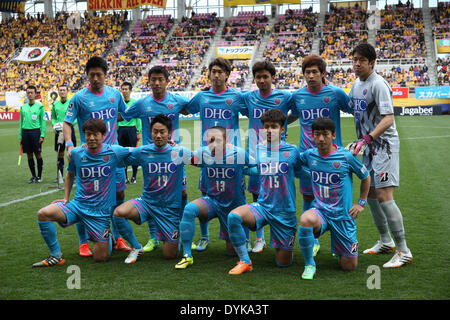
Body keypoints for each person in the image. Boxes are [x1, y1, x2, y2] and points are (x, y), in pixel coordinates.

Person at [63, 56, 140, 258]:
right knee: (85, 201)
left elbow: (126, 114)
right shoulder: (79, 98)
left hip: (113, 157)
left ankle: (115, 237)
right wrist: (70, 145)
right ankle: (83, 243)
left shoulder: (115, 95)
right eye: (92, 75)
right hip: (89, 159)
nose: (95, 78)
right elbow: (67, 123)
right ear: (87, 76)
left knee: (118, 197)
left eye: (99, 74)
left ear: (106, 75)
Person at [346, 43, 413, 268]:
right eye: (354, 59)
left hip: (383, 146)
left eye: (361, 60)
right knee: (372, 194)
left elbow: (388, 118)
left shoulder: (379, 84)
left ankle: (403, 250)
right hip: (368, 148)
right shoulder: (355, 84)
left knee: (384, 195)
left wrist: (367, 139)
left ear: (372, 63)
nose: (356, 63)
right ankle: (386, 241)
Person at [32, 118, 131, 267]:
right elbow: (70, 174)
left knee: (101, 258)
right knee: (43, 214)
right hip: (78, 206)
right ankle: (56, 255)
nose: (91, 138)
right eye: (88, 134)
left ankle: (107, 236)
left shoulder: (114, 152)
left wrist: (166, 145)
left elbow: (139, 151)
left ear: (103, 135)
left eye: (95, 134)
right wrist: (66, 198)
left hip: (100, 213)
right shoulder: (77, 153)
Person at [288, 54, 354, 256]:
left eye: (315, 72)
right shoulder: (298, 96)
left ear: (323, 73)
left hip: (334, 158)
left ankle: (339, 241)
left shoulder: (335, 93)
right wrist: (280, 128)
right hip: (309, 158)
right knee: (308, 195)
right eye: (307, 72)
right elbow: (292, 114)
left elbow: (354, 111)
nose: (311, 76)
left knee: (339, 200)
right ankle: (313, 240)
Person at [121, 66, 191, 253]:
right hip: (150, 157)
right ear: (149, 81)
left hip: (173, 157)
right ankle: (153, 238)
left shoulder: (176, 100)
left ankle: (183, 234)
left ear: (167, 81)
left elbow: (192, 106)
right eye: (154, 79)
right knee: (151, 193)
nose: (157, 83)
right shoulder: (143, 104)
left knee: (182, 194)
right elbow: (124, 114)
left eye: (161, 79)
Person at [226, 109, 302, 275]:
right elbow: (258, 170)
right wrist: (240, 170)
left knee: (283, 264)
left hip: (285, 213)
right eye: (266, 127)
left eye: (274, 127)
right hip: (263, 207)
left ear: (283, 129)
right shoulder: (259, 148)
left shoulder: (293, 151)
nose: (269, 130)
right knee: (233, 217)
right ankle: (245, 261)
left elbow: (302, 171)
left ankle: (281, 243)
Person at [186, 57, 249, 252]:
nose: (216, 75)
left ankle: (243, 237)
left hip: (232, 157)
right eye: (213, 71)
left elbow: (253, 113)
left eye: (220, 72)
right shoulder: (202, 97)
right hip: (209, 155)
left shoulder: (237, 97)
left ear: (227, 75)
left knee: (238, 196)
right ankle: (204, 237)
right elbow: (186, 109)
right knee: (206, 192)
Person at [297, 117, 370, 280]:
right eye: (317, 135)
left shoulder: (346, 157)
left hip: (342, 216)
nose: (321, 139)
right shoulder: (309, 155)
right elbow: (295, 164)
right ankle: (310, 264)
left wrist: (361, 203)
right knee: (305, 220)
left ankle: (339, 248)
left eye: (325, 134)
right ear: (312, 136)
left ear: (333, 135)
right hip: (320, 212)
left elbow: (366, 176)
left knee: (349, 267)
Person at [114, 114, 192, 263]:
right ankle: (136, 247)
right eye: (155, 131)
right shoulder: (144, 151)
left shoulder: (180, 152)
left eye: (162, 132)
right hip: (147, 203)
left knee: (170, 255)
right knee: (118, 213)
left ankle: (175, 235)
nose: (158, 135)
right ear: (150, 133)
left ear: (169, 133)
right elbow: (118, 159)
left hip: (169, 209)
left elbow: (203, 159)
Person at [176, 126, 255, 269]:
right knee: (189, 209)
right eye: (210, 141)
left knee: (232, 252)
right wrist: (174, 147)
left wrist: (245, 170)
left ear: (226, 141)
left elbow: (256, 166)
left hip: (234, 207)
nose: (214, 144)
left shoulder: (238, 154)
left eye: (218, 140)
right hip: (212, 202)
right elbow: (188, 158)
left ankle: (246, 239)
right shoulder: (203, 153)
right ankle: (187, 256)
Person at [241, 60, 294, 253]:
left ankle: (280, 233)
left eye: (265, 76)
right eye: (258, 77)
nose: (262, 80)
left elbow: (295, 111)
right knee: (257, 191)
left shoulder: (285, 96)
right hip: (256, 151)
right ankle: (260, 238)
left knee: (280, 191)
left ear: (273, 77)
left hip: (279, 152)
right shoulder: (248, 97)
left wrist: (283, 128)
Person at [19, 85, 45, 183]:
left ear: (35, 94)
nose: (30, 94)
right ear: (26, 94)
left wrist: (42, 135)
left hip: (35, 132)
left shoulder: (40, 107)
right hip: (25, 132)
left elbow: (43, 122)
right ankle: (33, 176)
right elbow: (21, 122)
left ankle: (39, 176)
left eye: (31, 93)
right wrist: (20, 136)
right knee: (29, 155)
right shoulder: (23, 107)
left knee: (38, 154)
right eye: (28, 93)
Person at [51, 84, 77, 185]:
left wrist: (69, 125)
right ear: (58, 92)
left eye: (64, 90)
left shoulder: (71, 103)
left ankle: (73, 175)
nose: (62, 92)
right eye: (60, 90)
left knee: (72, 153)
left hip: (70, 131)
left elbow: (75, 118)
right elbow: (53, 118)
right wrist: (55, 125)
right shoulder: (55, 105)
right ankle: (60, 176)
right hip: (59, 132)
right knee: (59, 153)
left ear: (67, 91)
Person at [118, 81, 141, 185]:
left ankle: (134, 176)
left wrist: (138, 131)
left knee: (134, 153)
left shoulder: (134, 103)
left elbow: (138, 118)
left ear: (130, 91)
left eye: (126, 89)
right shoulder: (119, 103)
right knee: (122, 154)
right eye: (123, 89)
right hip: (121, 130)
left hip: (131, 130)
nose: (124, 91)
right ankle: (125, 177)